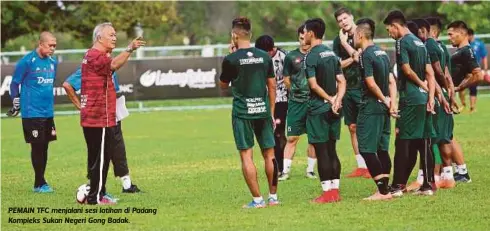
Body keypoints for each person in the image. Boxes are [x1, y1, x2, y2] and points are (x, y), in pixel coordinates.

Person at [81, 22, 145, 205]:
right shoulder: (95, 55)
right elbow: (114, 64)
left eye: (115, 34)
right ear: (99, 37)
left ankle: (99, 193)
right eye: (111, 35)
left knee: (101, 158)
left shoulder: (95, 55)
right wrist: (130, 48)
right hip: (98, 117)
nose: (114, 38)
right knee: (100, 160)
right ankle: (95, 198)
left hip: (102, 116)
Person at [219, 17, 279, 208]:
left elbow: (222, 86)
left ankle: (257, 200)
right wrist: (270, 112)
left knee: (247, 155)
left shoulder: (231, 59)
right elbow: (272, 86)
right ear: (250, 34)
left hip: (242, 113)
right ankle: (273, 198)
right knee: (270, 154)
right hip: (262, 111)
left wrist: (232, 56)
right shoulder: (265, 56)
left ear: (234, 35)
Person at [383, 10, 437, 196]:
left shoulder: (402, 42)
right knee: (424, 141)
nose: (389, 33)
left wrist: (421, 85)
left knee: (403, 141)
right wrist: (430, 96)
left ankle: (397, 186)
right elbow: (430, 73)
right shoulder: (420, 43)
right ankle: (428, 185)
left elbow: (405, 69)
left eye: (389, 29)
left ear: (396, 25)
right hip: (423, 99)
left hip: (411, 98)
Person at [63, 67, 141, 194]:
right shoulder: (90, 67)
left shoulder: (110, 65)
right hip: (99, 116)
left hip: (113, 112)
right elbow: (67, 85)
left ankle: (127, 185)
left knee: (118, 147)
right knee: (98, 150)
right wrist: (81, 107)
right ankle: (94, 186)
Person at [405, 18, 453, 191]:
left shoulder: (428, 46)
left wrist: (438, 93)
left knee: (430, 138)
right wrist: (450, 90)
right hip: (441, 93)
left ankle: (426, 178)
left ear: (425, 31)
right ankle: (445, 176)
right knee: (442, 137)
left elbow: (435, 73)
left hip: (432, 94)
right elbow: (446, 72)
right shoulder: (441, 46)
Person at [8, 32, 58, 193]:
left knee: (44, 147)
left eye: (54, 46)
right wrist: (15, 101)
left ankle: (41, 181)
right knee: (37, 147)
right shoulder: (27, 61)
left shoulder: (53, 62)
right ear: (41, 44)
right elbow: (15, 84)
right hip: (32, 112)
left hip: (47, 112)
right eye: (50, 45)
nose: (53, 48)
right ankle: (39, 183)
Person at [303, 18, 346, 203]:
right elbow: (342, 81)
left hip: (318, 109)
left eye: (304, 32)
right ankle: (335, 191)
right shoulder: (331, 53)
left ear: (311, 33)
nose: (303, 36)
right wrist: (337, 99)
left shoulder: (311, 56)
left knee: (322, 152)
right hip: (335, 109)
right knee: (332, 149)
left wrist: (329, 99)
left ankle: (327, 193)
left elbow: (313, 85)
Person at [354, 18, 398, 200]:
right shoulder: (382, 52)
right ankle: (385, 189)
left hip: (371, 107)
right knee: (382, 149)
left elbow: (371, 83)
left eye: (354, 36)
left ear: (360, 35)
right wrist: (391, 102)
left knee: (366, 149)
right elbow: (391, 81)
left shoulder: (366, 55)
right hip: (384, 108)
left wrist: (383, 100)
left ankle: (382, 191)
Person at [332, 8, 369, 178]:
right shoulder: (337, 41)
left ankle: (373, 162)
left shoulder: (363, 35)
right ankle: (361, 166)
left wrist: (354, 56)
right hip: (347, 88)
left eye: (345, 18)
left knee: (366, 126)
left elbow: (362, 57)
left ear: (352, 17)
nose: (343, 22)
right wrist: (351, 58)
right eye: (339, 20)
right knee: (352, 127)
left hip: (364, 87)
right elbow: (337, 64)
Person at [446, 20, 484, 183]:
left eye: (451, 34)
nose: (449, 38)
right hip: (446, 96)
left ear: (462, 33)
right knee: (447, 135)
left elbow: (478, 74)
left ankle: (461, 172)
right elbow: (468, 75)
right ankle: (459, 172)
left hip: (447, 95)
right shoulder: (460, 52)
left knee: (446, 136)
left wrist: (457, 89)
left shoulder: (466, 51)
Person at [280, 24, 317, 181]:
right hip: (296, 103)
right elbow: (286, 79)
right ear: (298, 38)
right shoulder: (290, 57)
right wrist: (295, 91)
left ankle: (310, 170)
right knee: (292, 138)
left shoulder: (316, 55)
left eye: (305, 37)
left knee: (314, 138)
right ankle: (285, 171)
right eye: (300, 38)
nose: (303, 41)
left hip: (314, 102)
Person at [254, 35, 289, 175]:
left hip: (282, 100)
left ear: (269, 51)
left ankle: (280, 167)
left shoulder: (284, 57)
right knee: (272, 133)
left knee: (278, 133)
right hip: (266, 100)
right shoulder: (259, 59)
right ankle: (278, 164)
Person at [465, 28, 488, 113]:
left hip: (475, 70)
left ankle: (472, 107)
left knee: (473, 88)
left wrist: (485, 70)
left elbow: (484, 56)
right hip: (465, 70)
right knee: (461, 87)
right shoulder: (465, 44)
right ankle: (463, 104)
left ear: (470, 35)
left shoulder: (479, 44)